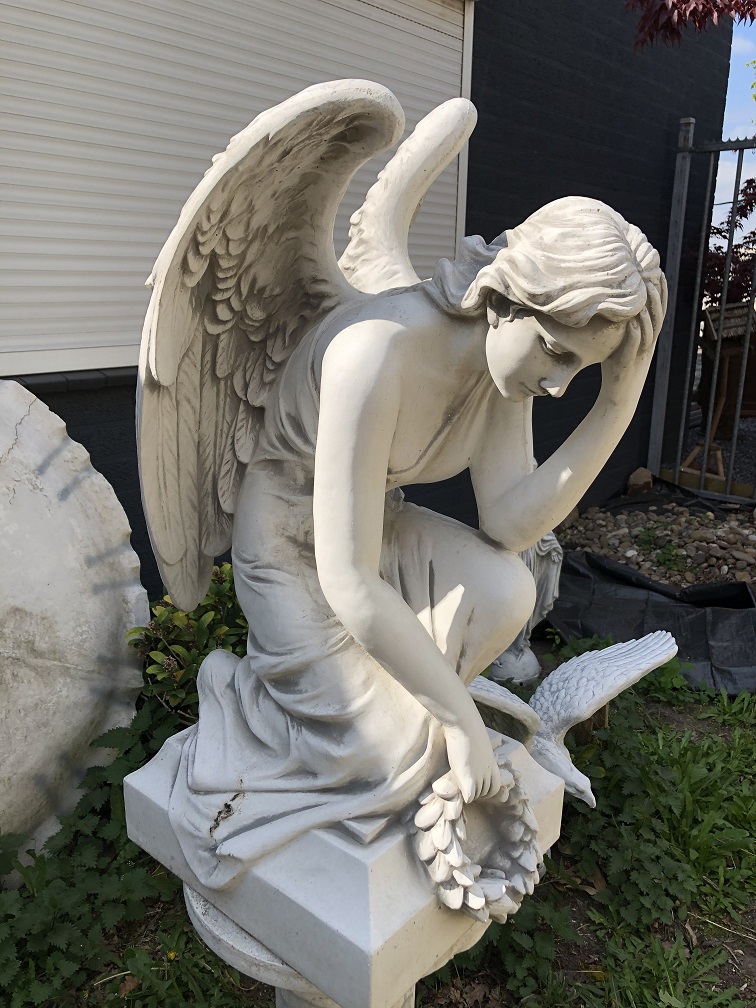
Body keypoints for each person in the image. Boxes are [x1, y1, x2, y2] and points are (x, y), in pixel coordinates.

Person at [168, 196, 667, 888]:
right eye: (556, 353)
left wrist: (617, 402)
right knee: (383, 757)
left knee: (507, 588)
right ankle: (244, 697)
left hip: (377, 529)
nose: (558, 386)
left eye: (578, 370)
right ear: (506, 300)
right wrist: (460, 722)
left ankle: (398, 705)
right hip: (288, 549)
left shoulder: (504, 371)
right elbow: (348, 577)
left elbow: (510, 526)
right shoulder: (376, 349)